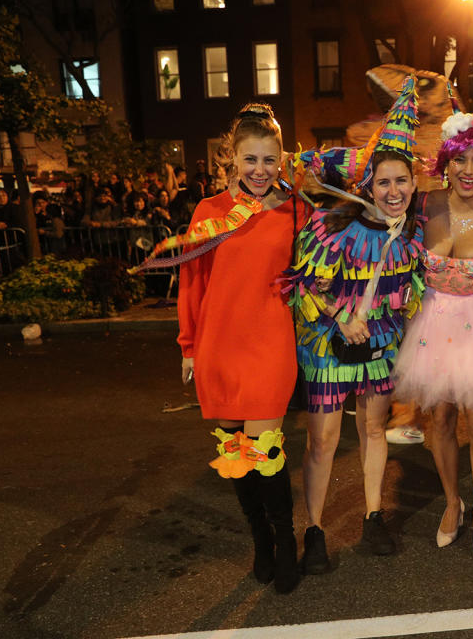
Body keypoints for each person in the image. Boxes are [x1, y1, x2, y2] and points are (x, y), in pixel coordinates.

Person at [284, 77, 423, 573]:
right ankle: (315, 529)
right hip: (329, 345)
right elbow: (303, 282)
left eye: (401, 181)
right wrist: (340, 315)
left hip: (381, 342)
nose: (393, 191)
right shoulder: (331, 225)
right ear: (367, 185)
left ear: (412, 182)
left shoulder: (412, 232)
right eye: (383, 182)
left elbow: (414, 287)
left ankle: (372, 515)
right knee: (321, 440)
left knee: (374, 429)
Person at [173, 103, 304, 594]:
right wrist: (188, 346)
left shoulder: (295, 208)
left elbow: (330, 252)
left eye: (269, 161)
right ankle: (260, 540)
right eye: (250, 160)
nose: (260, 171)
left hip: (270, 344)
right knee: (234, 450)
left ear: (281, 161)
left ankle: (286, 541)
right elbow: (192, 282)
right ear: (230, 157)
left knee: (264, 449)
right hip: (218, 347)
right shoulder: (208, 212)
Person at [392, 106, 473, 562]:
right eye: (460, 159)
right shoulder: (423, 202)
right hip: (431, 324)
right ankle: (453, 502)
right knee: (440, 420)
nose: (469, 170)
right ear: (445, 162)